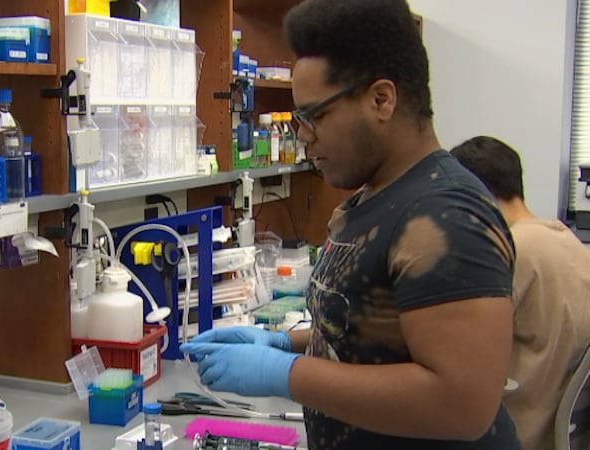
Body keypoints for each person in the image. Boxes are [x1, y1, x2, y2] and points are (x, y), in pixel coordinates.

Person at [179, 0, 521, 449]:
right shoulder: (372, 197)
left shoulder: (445, 215)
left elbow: (462, 404)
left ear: (381, 99)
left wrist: (287, 375)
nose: (303, 136)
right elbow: (363, 331)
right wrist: (286, 344)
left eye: (314, 116)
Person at [451, 135, 590, 450]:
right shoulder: (567, 241)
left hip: (517, 433)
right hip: (557, 432)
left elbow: (455, 349)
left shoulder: (506, 251)